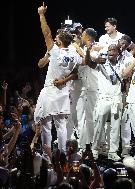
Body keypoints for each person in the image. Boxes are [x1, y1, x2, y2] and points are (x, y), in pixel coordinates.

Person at [34, 3, 83, 154]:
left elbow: (46, 34)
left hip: (51, 91)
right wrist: (64, 80)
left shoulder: (55, 51)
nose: (54, 38)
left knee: (46, 125)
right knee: (61, 126)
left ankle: (47, 157)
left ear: (60, 41)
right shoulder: (75, 54)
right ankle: (62, 156)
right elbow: (75, 73)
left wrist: (42, 15)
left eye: (57, 38)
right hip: (63, 93)